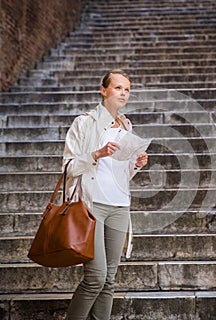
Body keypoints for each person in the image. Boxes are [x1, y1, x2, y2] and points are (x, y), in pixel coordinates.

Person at [63, 69, 148, 320]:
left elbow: (121, 174)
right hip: (92, 207)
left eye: (127, 89)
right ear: (103, 90)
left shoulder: (126, 125)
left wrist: (136, 164)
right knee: (95, 278)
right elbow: (68, 167)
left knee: (109, 281)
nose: (123, 93)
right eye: (118, 87)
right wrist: (96, 154)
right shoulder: (84, 122)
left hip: (120, 206)